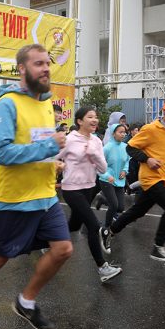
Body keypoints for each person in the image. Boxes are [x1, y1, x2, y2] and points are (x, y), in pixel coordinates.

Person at [0, 44, 72, 329]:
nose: (46, 69)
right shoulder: (6, 104)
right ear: (22, 69)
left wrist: (52, 162)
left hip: (45, 196)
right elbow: (3, 154)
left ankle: (26, 301)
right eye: (38, 64)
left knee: (63, 249)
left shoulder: (46, 103)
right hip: (13, 200)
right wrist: (49, 147)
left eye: (47, 63)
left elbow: (35, 143)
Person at [101, 99, 165, 261]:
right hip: (150, 178)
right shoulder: (151, 129)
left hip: (164, 178)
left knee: (138, 211)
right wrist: (147, 159)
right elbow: (130, 147)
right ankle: (158, 247)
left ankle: (109, 231)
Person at [58, 107, 122, 282]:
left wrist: (94, 154)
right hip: (71, 189)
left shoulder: (96, 141)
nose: (95, 120)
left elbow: (102, 168)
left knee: (73, 225)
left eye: (96, 117)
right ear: (80, 121)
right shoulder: (70, 139)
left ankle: (46, 240)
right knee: (93, 226)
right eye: (90, 117)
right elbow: (54, 156)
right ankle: (102, 268)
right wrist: (58, 165)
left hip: (89, 188)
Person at [97, 123, 130, 233]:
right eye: (120, 132)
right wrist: (107, 176)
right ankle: (106, 227)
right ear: (113, 133)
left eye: (124, 132)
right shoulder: (107, 148)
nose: (123, 134)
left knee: (120, 208)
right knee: (114, 205)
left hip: (120, 180)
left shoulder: (125, 147)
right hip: (106, 180)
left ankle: (102, 199)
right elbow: (99, 166)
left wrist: (125, 171)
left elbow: (127, 161)